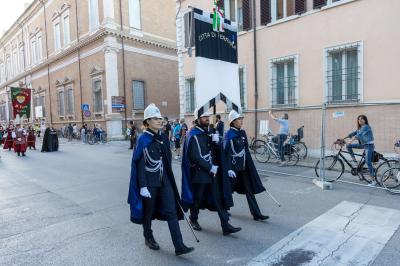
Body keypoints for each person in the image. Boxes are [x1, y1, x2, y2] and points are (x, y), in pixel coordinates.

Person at [127, 104, 194, 256]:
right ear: (147, 122)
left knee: (171, 211)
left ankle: (179, 245)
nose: (159, 120)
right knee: (148, 213)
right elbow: (140, 164)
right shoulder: (143, 139)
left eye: (160, 118)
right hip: (149, 184)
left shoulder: (163, 137)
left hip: (165, 182)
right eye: (155, 118)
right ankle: (148, 236)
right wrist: (142, 186)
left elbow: (167, 161)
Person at [181, 108, 241, 235]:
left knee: (218, 197)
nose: (207, 119)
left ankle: (225, 224)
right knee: (197, 198)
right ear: (197, 119)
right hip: (200, 173)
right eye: (204, 117)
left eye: (208, 117)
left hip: (212, 172)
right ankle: (194, 219)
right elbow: (194, 156)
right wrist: (210, 167)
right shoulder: (193, 135)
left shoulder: (208, 133)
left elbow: (216, 152)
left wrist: (216, 142)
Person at [224, 110, 269, 221]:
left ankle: (256, 214)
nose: (241, 121)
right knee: (227, 190)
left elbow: (246, 151)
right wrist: (228, 169)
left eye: (241, 119)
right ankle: (223, 210)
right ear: (233, 122)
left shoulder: (242, 133)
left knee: (249, 190)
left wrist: (250, 166)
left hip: (243, 167)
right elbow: (225, 153)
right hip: (233, 168)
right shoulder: (229, 135)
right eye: (239, 119)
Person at [343, 115, 377, 186]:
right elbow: (352, 134)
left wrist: (351, 141)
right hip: (363, 145)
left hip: (369, 146)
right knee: (348, 146)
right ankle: (354, 161)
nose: (360, 120)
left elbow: (358, 135)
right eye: (359, 119)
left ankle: (373, 180)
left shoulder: (366, 127)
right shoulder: (360, 128)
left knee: (368, 162)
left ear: (365, 120)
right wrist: (343, 138)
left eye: (362, 119)